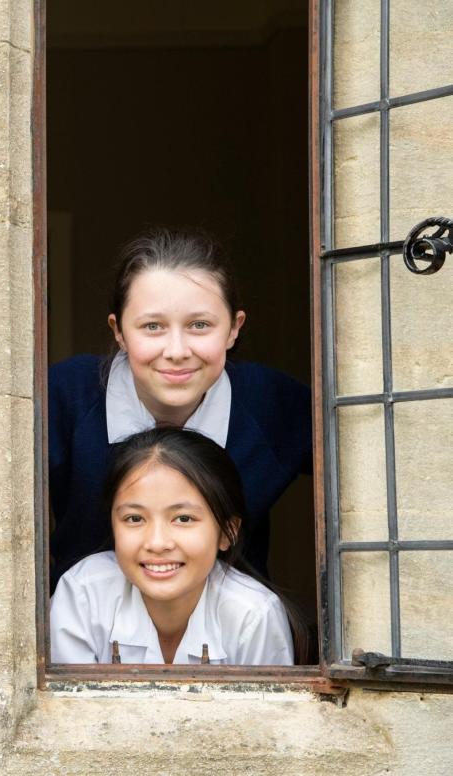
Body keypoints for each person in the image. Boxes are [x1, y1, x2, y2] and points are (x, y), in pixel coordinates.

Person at [48, 229, 310, 585]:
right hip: (85, 630)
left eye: (199, 325)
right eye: (152, 326)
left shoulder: (274, 404)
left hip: (232, 632)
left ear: (234, 328)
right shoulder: (63, 397)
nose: (176, 350)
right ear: (119, 331)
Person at [50, 427, 298, 665]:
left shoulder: (253, 616)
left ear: (227, 532)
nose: (157, 543)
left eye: (183, 519)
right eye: (134, 519)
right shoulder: (82, 594)